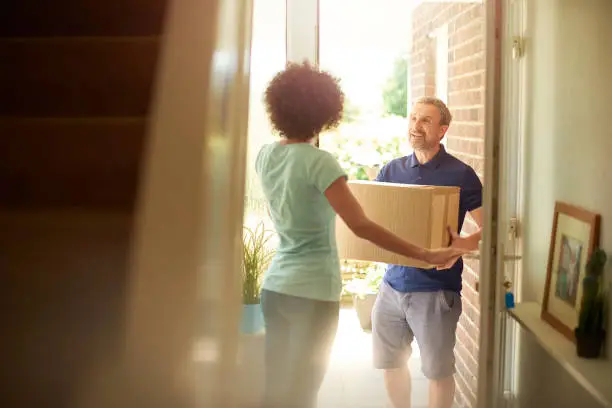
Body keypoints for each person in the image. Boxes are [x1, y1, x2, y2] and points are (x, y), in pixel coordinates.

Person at [255, 63, 468, 408]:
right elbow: (362, 225)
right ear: (323, 111)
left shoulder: (265, 156)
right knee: (303, 390)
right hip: (312, 291)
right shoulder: (319, 162)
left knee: (276, 385)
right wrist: (425, 254)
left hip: (275, 288)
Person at [372, 96, 484, 408]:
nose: (416, 126)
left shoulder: (461, 175)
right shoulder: (391, 171)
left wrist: (464, 244)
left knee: (437, 371)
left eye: (426, 121)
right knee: (391, 363)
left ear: (443, 130)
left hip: (435, 292)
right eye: (412, 118)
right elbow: (373, 220)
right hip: (392, 286)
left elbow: (492, 227)